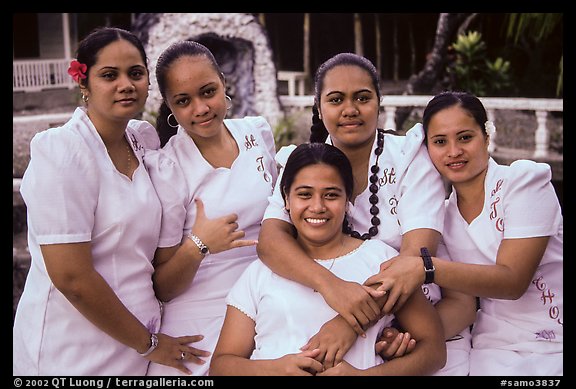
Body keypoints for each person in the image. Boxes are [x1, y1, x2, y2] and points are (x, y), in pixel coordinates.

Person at [257, 52, 476, 375]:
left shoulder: (410, 159)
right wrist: (331, 287)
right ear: (319, 107)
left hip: (417, 320)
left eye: (362, 97)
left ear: (378, 101)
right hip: (327, 321)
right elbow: (271, 243)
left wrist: (350, 322)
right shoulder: (303, 164)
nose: (350, 110)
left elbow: (413, 258)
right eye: (336, 99)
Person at [13, 27, 199, 376]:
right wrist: (150, 344)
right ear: (84, 84)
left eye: (135, 73)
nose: (125, 84)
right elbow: (72, 277)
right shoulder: (63, 152)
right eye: (109, 75)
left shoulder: (142, 143)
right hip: (72, 349)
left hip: (136, 344)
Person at [368, 91, 563, 375]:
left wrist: (425, 268)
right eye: (440, 142)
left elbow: (513, 281)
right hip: (489, 347)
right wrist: (405, 337)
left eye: (465, 137)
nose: (453, 152)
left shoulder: (523, 182)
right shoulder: (442, 218)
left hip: (552, 343)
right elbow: (462, 304)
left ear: (486, 136)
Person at [210, 142, 446, 376]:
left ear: (347, 201)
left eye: (331, 195)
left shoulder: (381, 261)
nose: (317, 207)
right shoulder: (260, 272)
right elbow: (221, 366)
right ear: (286, 200)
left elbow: (434, 352)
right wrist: (275, 369)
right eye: (304, 195)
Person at [143, 40, 278, 376]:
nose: (201, 108)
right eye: (184, 101)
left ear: (223, 83)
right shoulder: (168, 168)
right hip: (203, 305)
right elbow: (163, 286)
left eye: (208, 92)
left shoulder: (256, 133)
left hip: (267, 289)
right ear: (170, 107)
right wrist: (199, 245)